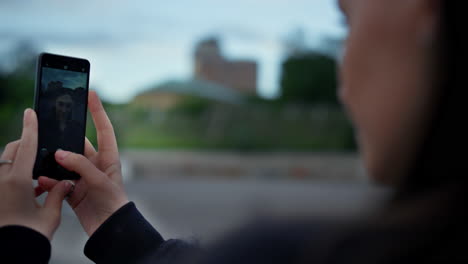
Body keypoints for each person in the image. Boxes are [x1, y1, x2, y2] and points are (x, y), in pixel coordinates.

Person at [1, 0, 466, 263]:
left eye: (347, 19)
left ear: (423, 14)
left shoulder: (300, 252)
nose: (343, 62)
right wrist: (112, 222)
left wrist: (16, 242)